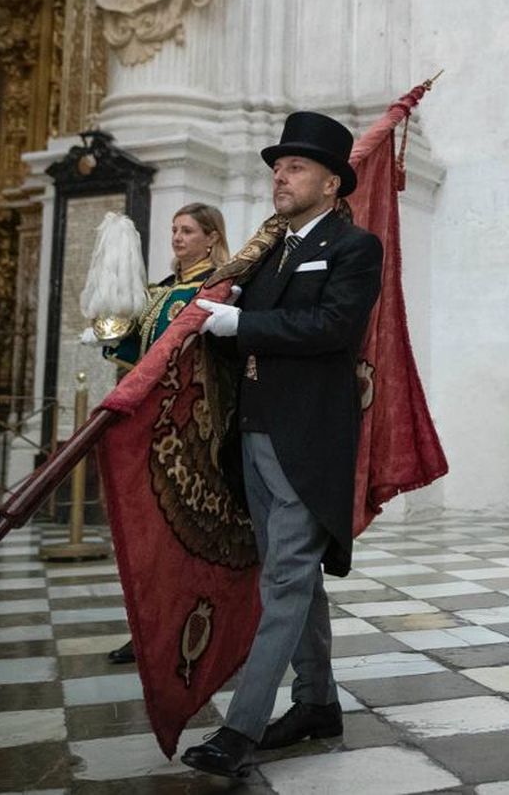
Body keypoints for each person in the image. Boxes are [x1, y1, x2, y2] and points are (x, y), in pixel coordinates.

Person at [179, 112, 383, 778]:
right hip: (256, 431)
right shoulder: (269, 253)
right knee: (295, 578)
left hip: (308, 438)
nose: (280, 177)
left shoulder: (354, 247)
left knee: (285, 581)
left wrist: (242, 323)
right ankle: (317, 702)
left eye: (296, 167)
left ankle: (238, 731)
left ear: (331, 183)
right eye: (277, 167)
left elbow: (331, 326)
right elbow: (244, 329)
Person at [95, 202, 229, 665]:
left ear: (211, 238)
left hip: (193, 428)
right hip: (152, 424)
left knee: (186, 540)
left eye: (187, 230)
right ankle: (150, 629)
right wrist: (110, 327)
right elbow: (137, 349)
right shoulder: (161, 290)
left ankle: (198, 629)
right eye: (174, 229)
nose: (177, 237)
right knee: (149, 538)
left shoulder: (218, 287)